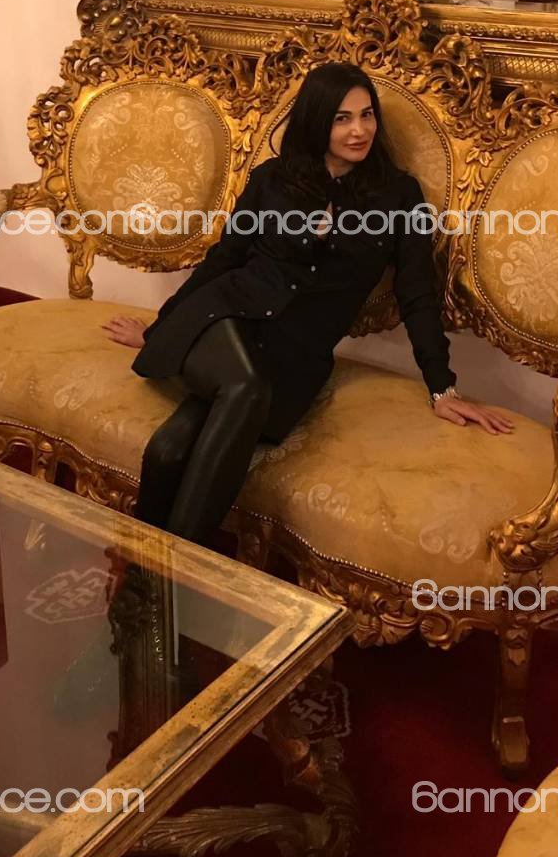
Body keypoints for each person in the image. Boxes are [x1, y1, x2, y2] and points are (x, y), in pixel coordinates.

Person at [104, 62, 513, 549]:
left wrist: (442, 387)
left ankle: (146, 573)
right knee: (245, 390)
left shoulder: (399, 198)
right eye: (342, 118)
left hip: (294, 356)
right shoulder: (272, 180)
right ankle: (182, 573)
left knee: (170, 449)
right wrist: (161, 330)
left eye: (366, 115)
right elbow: (225, 259)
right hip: (224, 319)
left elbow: (417, 293)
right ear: (316, 121)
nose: (359, 130)